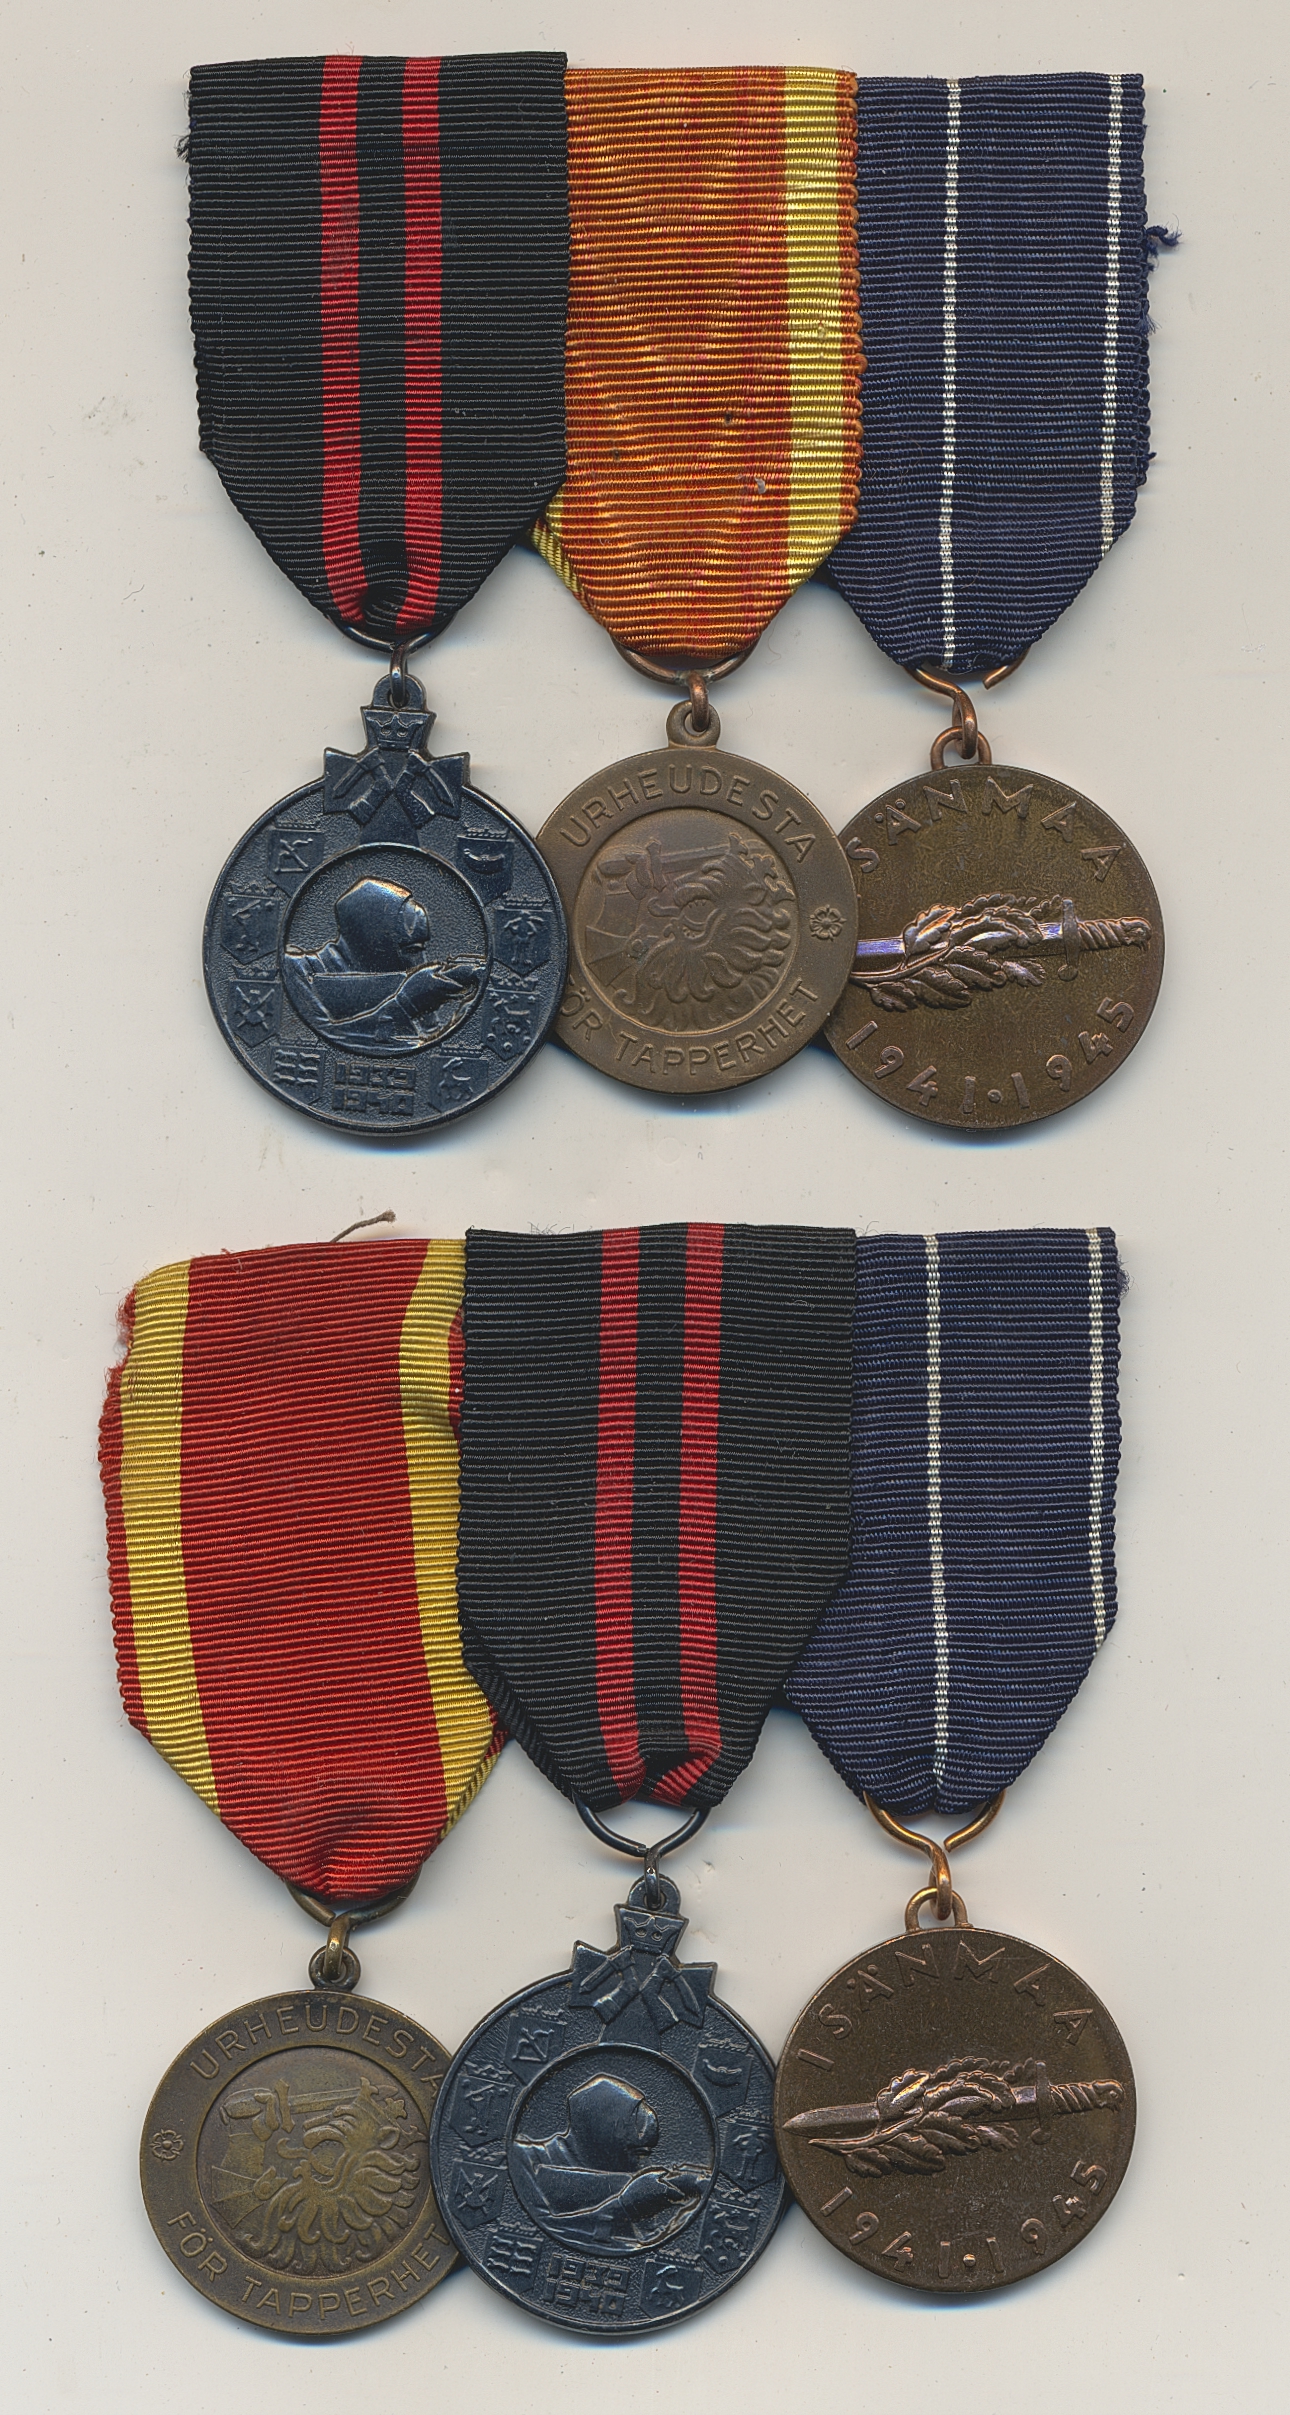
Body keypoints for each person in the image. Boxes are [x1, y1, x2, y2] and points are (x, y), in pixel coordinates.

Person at [282, 876, 483, 1054]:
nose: (421, 963)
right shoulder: (293, 970)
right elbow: (320, 1040)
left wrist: (466, 1012)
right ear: (373, 940)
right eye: (412, 950)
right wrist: (406, 1003)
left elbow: (428, 1048)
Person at [511, 2073, 707, 2252]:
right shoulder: (520, 2158)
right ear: (601, 2132)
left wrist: (688, 2202)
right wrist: (625, 2205)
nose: (642, 2163)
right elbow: (537, 2231)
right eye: (636, 2153)